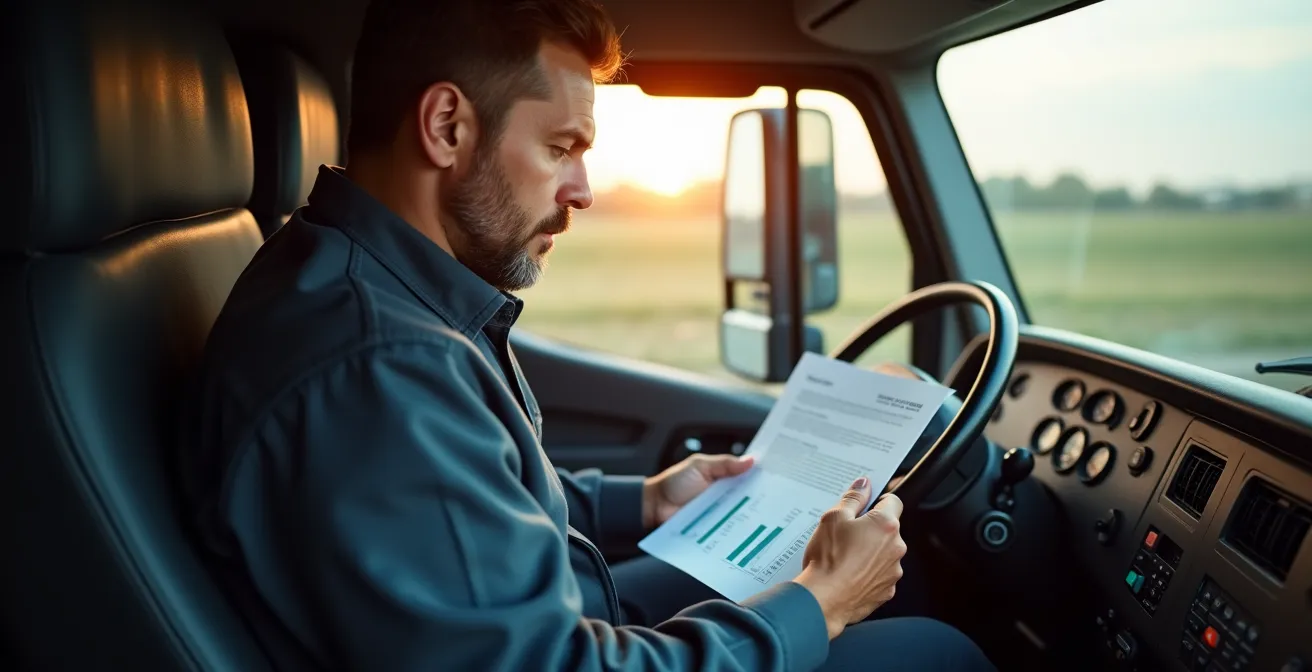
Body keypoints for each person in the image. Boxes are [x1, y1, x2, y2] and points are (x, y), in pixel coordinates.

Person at [177, 0, 997, 669]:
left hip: (541, 621)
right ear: (447, 127)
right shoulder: (378, 366)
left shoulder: (376, 291)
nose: (583, 190)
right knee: (935, 652)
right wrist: (820, 603)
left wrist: (639, 500)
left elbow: (459, 505)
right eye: (560, 146)